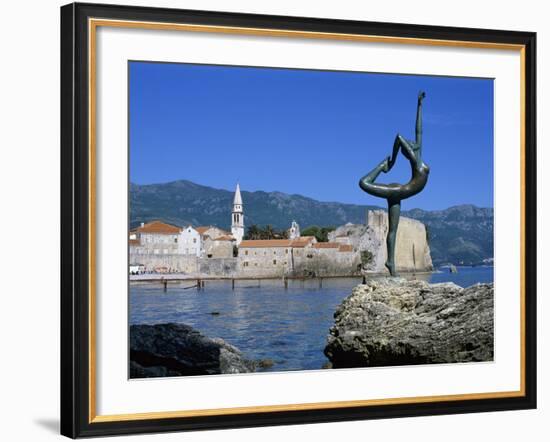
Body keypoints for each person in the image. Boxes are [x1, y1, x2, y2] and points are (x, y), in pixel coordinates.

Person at [359, 91, 429, 276]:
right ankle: (381, 166)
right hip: (398, 191)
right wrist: (392, 162)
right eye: (412, 143)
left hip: (399, 194)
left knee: (393, 230)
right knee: (364, 183)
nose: (415, 142)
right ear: (411, 150)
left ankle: (391, 263)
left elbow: (419, 129)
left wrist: (419, 105)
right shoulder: (414, 158)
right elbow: (399, 138)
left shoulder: (418, 155)